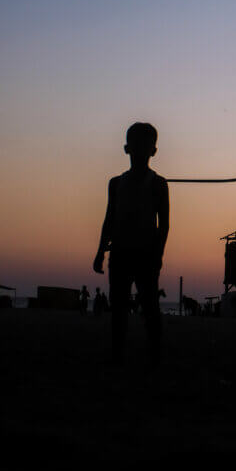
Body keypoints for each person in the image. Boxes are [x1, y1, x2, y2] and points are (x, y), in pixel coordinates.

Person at [93, 122, 170, 368]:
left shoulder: (158, 184)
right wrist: (99, 251)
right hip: (119, 253)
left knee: (150, 309)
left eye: (144, 146)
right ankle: (117, 357)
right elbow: (109, 218)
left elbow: (165, 225)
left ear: (153, 151)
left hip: (146, 255)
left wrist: (158, 255)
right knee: (118, 309)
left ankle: (155, 358)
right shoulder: (115, 183)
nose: (139, 150)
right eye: (135, 145)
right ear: (127, 148)